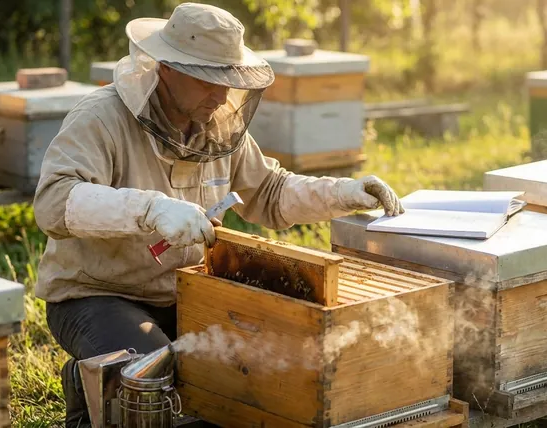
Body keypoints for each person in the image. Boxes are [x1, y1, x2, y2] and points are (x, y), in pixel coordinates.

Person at [32, 3, 404, 427]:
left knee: (248, 371)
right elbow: (54, 203)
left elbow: (269, 191)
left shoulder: (216, 125)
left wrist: (343, 192)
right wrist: (150, 209)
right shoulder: (101, 118)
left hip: (186, 293)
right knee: (151, 372)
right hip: (94, 294)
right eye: (206, 78)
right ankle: (90, 390)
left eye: (227, 80)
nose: (221, 95)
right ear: (166, 68)